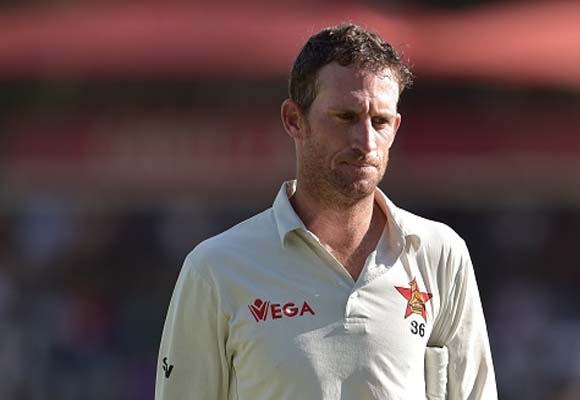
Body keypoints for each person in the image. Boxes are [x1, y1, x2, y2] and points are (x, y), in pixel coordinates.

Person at [155, 23, 497, 400]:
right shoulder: (215, 268)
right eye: (345, 117)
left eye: (380, 122)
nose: (366, 142)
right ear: (293, 120)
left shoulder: (439, 253)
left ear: (396, 127)